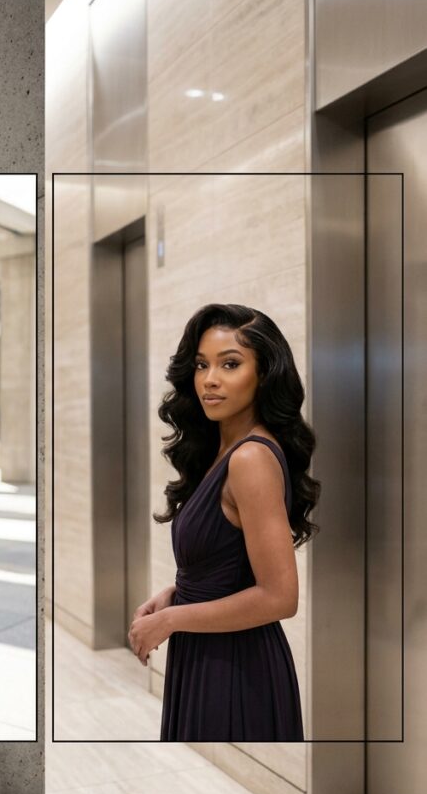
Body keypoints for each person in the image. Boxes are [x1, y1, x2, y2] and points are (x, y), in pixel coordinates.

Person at [128, 304, 319, 741]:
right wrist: (175, 595)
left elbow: (280, 597)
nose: (209, 379)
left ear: (264, 375)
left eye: (230, 364)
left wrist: (171, 620)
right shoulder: (224, 452)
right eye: (201, 365)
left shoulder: (250, 458)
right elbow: (231, 565)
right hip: (208, 651)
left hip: (236, 667)